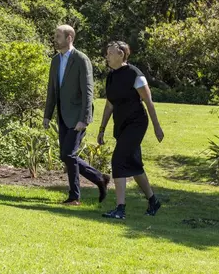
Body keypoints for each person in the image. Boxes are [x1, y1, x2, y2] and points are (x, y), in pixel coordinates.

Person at [44, 25, 110, 205]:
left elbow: (88, 91)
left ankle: (75, 196)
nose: (55, 39)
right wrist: (47, 115)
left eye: (58, 36)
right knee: (66, 155)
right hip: (63, 115)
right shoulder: (55, 60)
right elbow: (52, 90)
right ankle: (99, 178)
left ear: (69, 38)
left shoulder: (81, 59)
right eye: (55, 35)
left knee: (68, 154)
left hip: (78, 116)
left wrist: (84, 118)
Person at [98, 41, 164, 219]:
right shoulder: (111, 76)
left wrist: (157, 127)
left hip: (136, 123)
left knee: (118, 160)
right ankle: (153, 201)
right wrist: (102, 128)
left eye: (110, 53)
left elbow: (149, 103)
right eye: (107, 53)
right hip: (121, 124)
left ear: (121, 54)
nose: (107, 57)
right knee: (134, 165)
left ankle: (120, 209)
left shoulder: (135, 75)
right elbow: (110, 103)